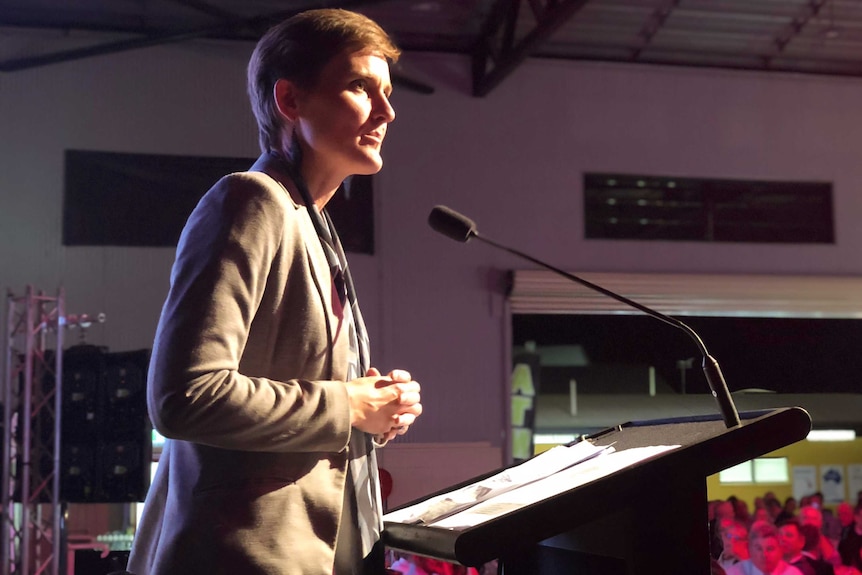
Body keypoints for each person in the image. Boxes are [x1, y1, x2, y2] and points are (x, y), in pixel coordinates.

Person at [126, 9, 422, 575]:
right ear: (290, 101)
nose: (386, 111)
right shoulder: (251, 201)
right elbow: (184, 398)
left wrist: (376, 408)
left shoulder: (312, 222)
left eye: (387, 92)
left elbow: (308, 395)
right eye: (361, 86)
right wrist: (348, 404)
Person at [725, 521, 803, 575]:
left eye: (770, 549)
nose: (764, 555)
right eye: (759, 549)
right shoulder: (733, 573)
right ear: (749, 549)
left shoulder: (792, 573)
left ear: (780, 549)